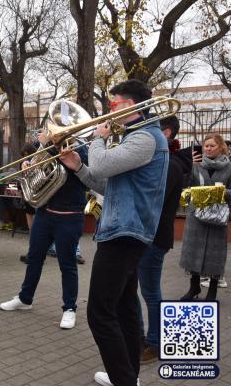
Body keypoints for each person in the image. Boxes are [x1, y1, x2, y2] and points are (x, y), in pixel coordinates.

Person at [59, 80, 168, 386]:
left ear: (131, 105)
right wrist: (79, 166)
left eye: (114, 104)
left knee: (99, 314)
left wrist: (98, 139)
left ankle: (123, 378)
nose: (109, 110)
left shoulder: (145, 138)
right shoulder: (136, 137)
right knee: (125, 308)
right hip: (123, 230)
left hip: (124, 234)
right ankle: (127, 374)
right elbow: (108, 185)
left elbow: (103, 164)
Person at [0, 128, 87, 331]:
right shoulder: (46, 148)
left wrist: (69, 158)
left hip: (69, 217)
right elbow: (35, 175)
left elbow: (86, 176)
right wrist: (28, 165)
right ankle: (25, 298)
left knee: (67, 265)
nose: (54, 133)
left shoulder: (81, 149)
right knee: (34, 258)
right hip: (44, 213)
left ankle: (69, 309)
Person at [137, 115, 192, 364]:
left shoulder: (169, 164)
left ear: (166, 133)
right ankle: (141, 337)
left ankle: (155, 342)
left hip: (154, 237)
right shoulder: (164, 160)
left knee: (150, 293)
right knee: (140, 290)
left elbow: (153, 199)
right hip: (145, 235)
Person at [179, 132, 231, 302]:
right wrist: (188, 166)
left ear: (220, 147)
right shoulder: (197, 165)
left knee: (215, 254)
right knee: (193, 251)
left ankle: (213, 290)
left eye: (212, 146)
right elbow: (184, 185)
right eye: (206, 146)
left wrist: (219, 192)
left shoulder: (229, 167)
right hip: (196, 216)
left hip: (217, 216)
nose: (208, 149)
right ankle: (193, 287)